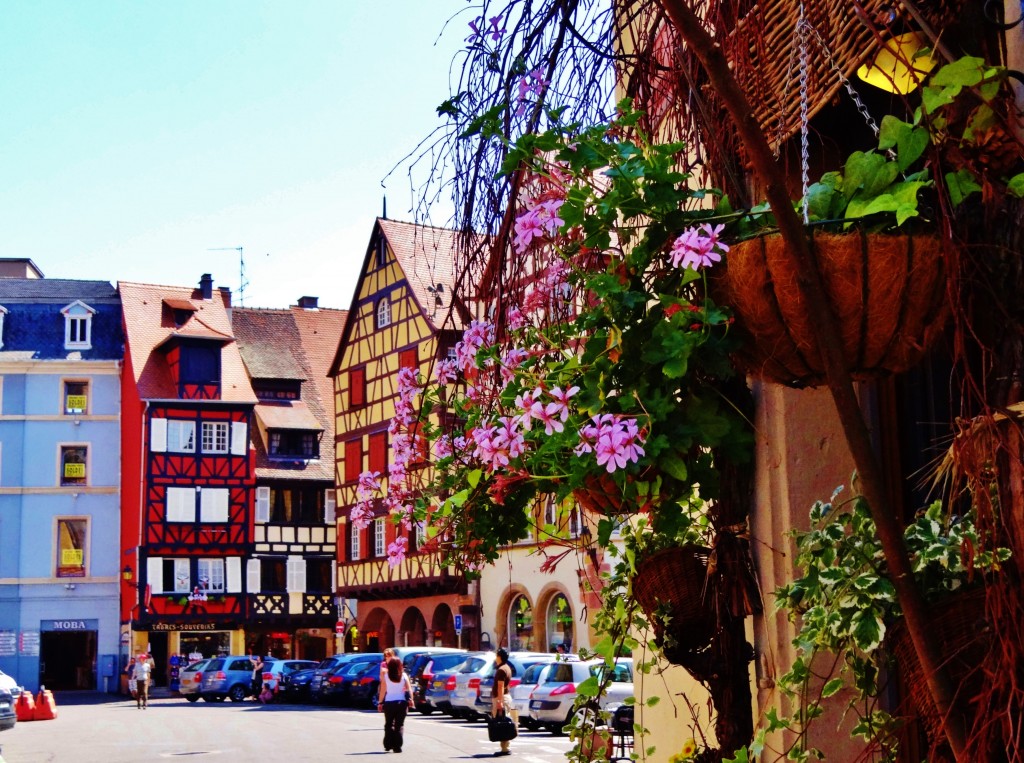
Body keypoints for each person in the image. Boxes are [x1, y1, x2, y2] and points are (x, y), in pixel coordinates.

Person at [377, 656, 414, 753]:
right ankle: (397, 746)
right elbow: (409, 689)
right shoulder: (404, 676)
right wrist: (411, 699)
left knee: (388, 724)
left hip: (389, 703)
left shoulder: (386, 676)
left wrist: (380, 702)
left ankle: (388, 744)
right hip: (401, 703)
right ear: (400, 665)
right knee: (399, 725)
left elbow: (383, 691)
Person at [492, 648, 514, 757]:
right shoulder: (506, 667)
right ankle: (504, 747)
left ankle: (505, 748)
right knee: (504, 722)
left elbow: (500, 686)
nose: (495, 658)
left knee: (502, 723)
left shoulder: (501, 670)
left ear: (500, 657)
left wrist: (499, 701)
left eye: (496, 656)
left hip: (502, 698)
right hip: (505, 697)